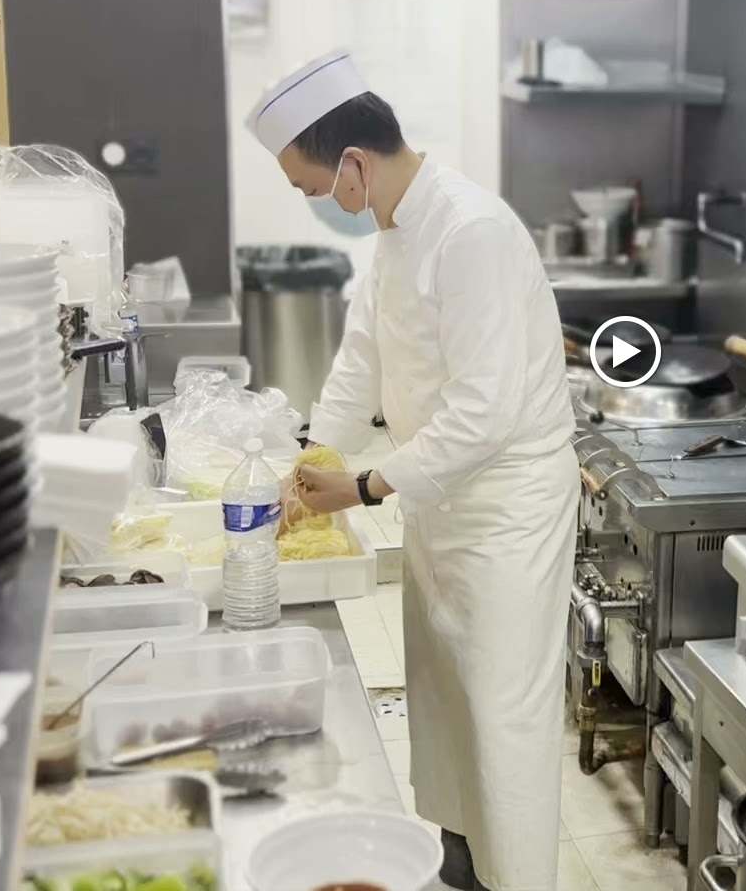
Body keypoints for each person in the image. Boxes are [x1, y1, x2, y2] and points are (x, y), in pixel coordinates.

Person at [245, 50, 577, 891]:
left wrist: (362, 488)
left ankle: (517, 881)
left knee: (503, 722)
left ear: (354, 164)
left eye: (313, 187)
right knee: (445, 702)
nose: (319, 202)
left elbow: (485, 413)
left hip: (507, 512)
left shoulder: (471, 233)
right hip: (443, 502)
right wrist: (307, 469)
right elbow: (360, 364)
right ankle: (461, 863)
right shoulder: (395, 233)